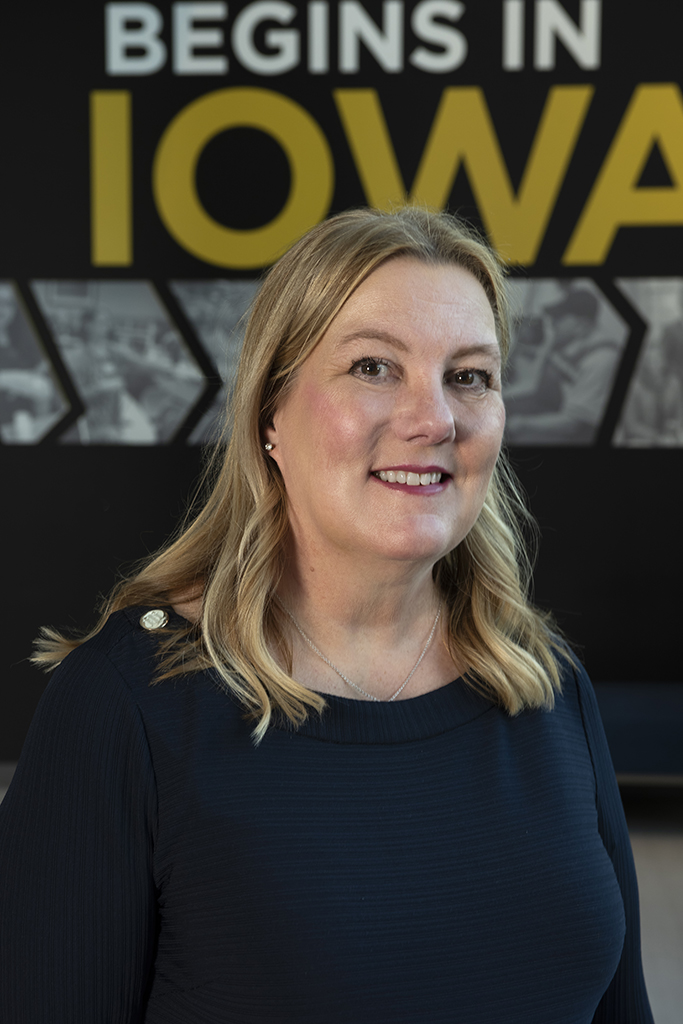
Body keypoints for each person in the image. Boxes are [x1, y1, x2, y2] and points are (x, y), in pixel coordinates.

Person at [0, 207, 653, 1023]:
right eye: (374, 367)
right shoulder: (127, 705)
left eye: (469, 375)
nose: (434, 419)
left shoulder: (543, 680)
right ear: (270, 413)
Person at [505, 288, 623, 445]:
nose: (552, 324)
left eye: (559, 319)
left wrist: (523, 424)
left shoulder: (602, 360)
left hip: (579, 433)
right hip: (549, 409)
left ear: (580, 323)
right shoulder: (562, 345)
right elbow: (533, 384)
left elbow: (572, 424)